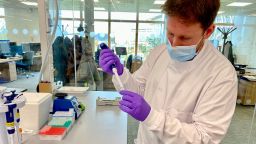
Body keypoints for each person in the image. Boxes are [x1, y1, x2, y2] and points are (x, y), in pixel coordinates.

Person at [99, 0, 237, 143]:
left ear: (208, 31)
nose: (174, 44)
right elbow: (138, 91)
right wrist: (120, 72)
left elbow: (204, 138)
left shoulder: (222, 74)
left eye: (184, 37)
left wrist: (151, 117)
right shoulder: (159, 52)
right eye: (170, 33)